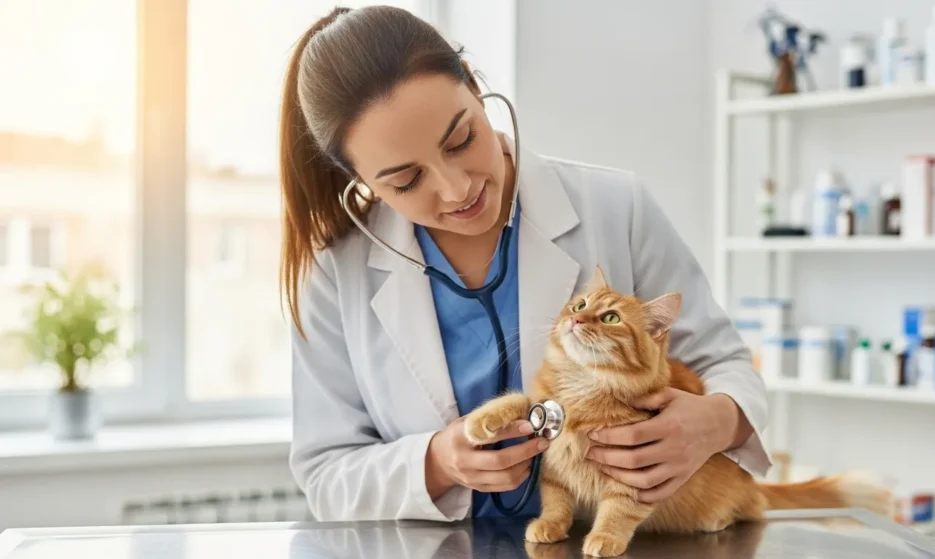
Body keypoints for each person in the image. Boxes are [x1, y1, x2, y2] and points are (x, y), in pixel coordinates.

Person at [282, 5, 771, 522]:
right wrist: (436, 462)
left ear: (474, 86)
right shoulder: (335, 272)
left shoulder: (614, 208)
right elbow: (325, 474)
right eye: (406, 181)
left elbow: (724, 363)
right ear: (360, 180)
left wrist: (716, 422)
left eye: (461, 140)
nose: (456, 189)